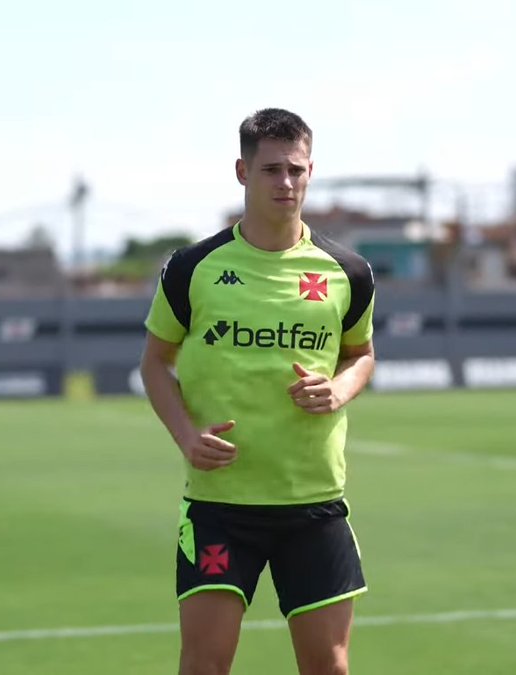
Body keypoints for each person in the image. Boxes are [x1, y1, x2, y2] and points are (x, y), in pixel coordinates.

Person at [140, 108, 377, 675]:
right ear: (242, 171)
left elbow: (361, 354)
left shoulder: (348, 271)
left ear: (311, 171)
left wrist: (340, 390)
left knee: (330, 667)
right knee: (204, 666)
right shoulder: (193, 267)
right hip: (222, 504)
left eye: (296, 170)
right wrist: (186, 436)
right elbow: (154, 365)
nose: (286, 183)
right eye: (271, 170)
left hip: (313, 502)